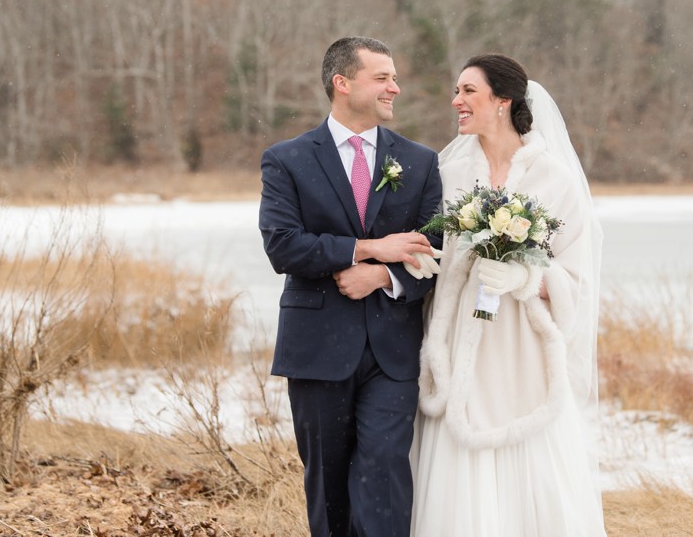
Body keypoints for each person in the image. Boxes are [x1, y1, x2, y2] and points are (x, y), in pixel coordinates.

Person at [412, 54, 605, 536]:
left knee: (528, 457)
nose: (455, 101)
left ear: (502, 101)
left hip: (521, 348)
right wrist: (422, 260)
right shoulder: (446, 174)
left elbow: (575, 280)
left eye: (467, 91)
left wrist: (524, 279)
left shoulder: (554, 181)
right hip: (458, 340)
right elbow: (430, 244)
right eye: (455, 91)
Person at [259, 36, 443, 537]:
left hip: (392, 352)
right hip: (318, 347)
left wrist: (383, 274)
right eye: (382, 77)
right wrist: (366, 248)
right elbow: (283, 246)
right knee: (328, 481)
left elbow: (434, 250)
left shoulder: (421, 162)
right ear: (342, 83)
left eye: (394, 78)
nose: (395, 88)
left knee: (385, 470)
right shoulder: (287, 159)